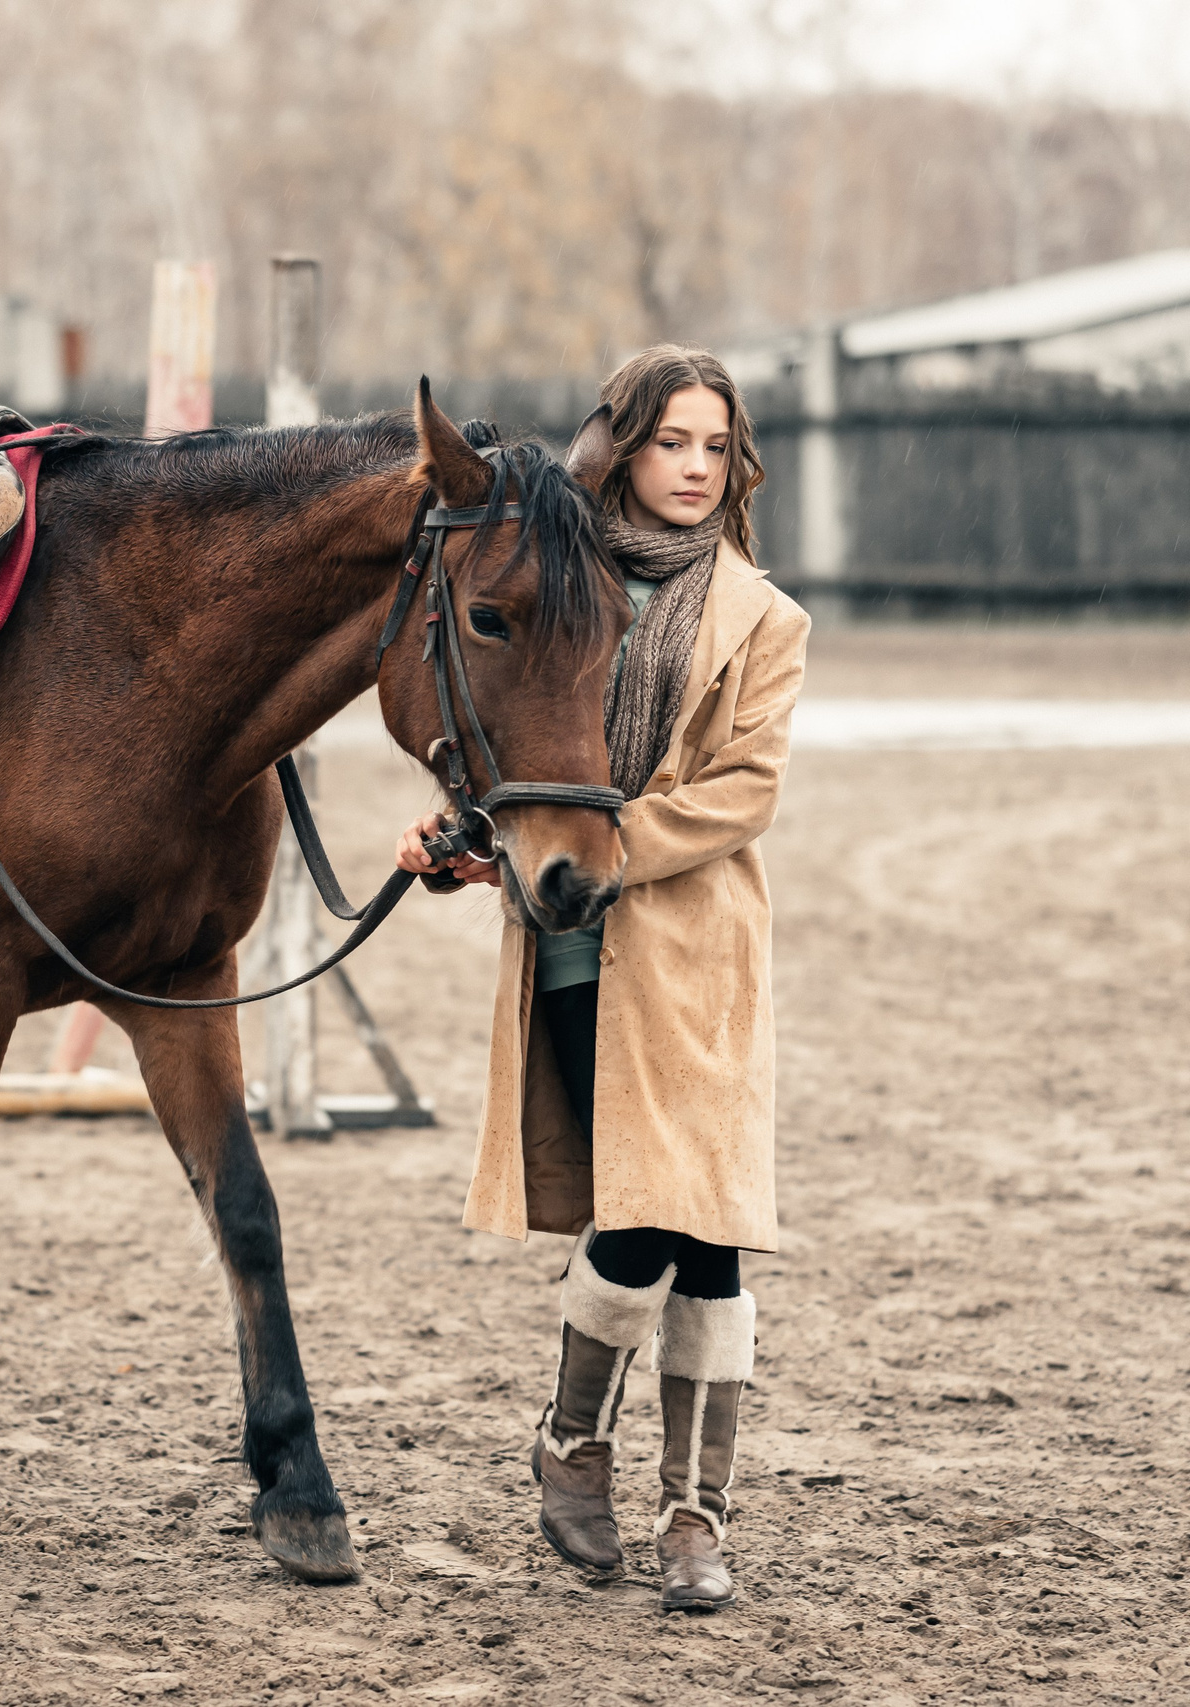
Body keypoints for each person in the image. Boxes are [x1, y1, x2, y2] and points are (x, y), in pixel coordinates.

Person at [396, 345, 809, 1612]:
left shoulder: (764, 618)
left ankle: (690, 1513)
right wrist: (473, 836)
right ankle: (576, 1445)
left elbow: (744, 791)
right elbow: (517, 736)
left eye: (714, 446)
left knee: (710, 1234)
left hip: (702, 951)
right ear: (621, 447)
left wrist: (615, 844)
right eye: (670, 441)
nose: (695, 467)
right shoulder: (557, 577)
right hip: (577, 946)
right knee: (635, 1215)